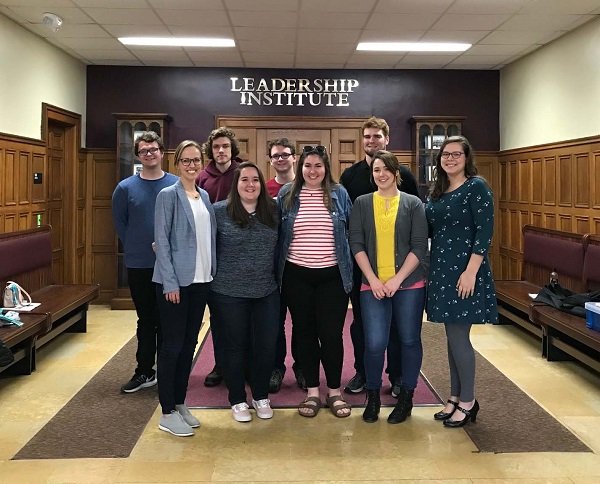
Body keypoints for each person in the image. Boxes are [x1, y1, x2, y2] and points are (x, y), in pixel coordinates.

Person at [340, 116, 419, 396]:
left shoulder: (404, 176)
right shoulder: (350, 177)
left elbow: (416, 223)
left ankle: (396, 376)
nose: (372, 141)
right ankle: (363, 373)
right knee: (362, 326)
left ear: (387, 139)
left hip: (400, 270)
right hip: (363, 268)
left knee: (398, 327)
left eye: (377, 136)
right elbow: (346, 223)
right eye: (367, 137)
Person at [349, 150, 428, 424]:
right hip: (372, 285)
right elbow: (356, 244)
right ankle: (372, 397)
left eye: (385, 169)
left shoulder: (413, 204)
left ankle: (406, 397)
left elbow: (419, 246)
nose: (380, 174)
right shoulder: (361, 203)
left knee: (408, 339)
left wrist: (397, 279)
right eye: (376, 170)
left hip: (409, 285)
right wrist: (372, 279)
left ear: (396, 173)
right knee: (374, 343)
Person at [426, 135, 497, 428]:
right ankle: (455, 396)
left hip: (465, 272)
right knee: (450, 338)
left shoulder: (476, 187)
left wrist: (470, 272)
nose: (450, 158)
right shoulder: (438, 192)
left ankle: (468, 401)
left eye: (456, 154)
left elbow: (484, 232)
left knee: (459, 338)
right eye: (445, 154)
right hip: (441, 272)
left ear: (467, 158)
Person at [277, 145, 353, 418]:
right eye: (307, 165)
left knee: (331, 335)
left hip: (333, 275)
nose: (312, 171)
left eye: (318, 166)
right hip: (297, 275)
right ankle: (312, 391)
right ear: (301, 168)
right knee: (305, 333)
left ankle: (334, 391)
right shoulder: (287, 194)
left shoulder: (339, 194)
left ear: (326, 168)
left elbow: (351, 232)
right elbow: (276, 234)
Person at [152, 140, 216, 437]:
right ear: (177, 163)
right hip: (175, 284)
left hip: (201, 280)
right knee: (172, 346)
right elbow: (161, 241)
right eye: (186, 160)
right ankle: (166, 411)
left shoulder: (203, 195)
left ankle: (179, 403)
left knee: (189, 344)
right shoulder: (168, 195)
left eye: (196, 160)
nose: (192, 165)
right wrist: (170, 281)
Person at [209, 162, 280, 422]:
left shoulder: (273, 210)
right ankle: (237, 398)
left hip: (266, 291)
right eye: (244, 180)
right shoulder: (218, 211)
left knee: (265, 345)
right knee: (234, 346)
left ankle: (261, 395)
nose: (250, 185)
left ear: (262, 184)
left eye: (255, 180)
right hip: (228, 292)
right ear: (235, 184)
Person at [112, 131, 177, 393]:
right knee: (146, 319)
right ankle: (144, 371)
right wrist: (137, 248)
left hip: (171, 266)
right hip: (140, 264)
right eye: (144, 151)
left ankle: (168, 370)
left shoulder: (175, 184)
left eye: (153, 149)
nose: (149, 154)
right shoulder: (125, 188)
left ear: (162, 152)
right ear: (138, 156)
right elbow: (121, 224)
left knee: (168, 320)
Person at [195, 127, 242, 388]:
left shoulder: (244, 173)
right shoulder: (203, 177)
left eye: (225, 146)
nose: (221, 151)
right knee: (220, 316)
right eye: (216, 147)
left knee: (242, 317)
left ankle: (243, 363)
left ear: (231, 148)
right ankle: (220, 364)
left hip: (239, 253)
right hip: (211, 254)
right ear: (211, 151)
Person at [265, 138, 304, 393]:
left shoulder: (306, 187)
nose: (280, 159)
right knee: (274, 323)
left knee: (302, 321)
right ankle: (276, 368)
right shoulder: (263, 188)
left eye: (285, 155)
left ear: (294, 158)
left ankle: (302, 367)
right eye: (275, 155)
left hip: (300, 266)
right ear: (270, 160)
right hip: (271, 267)